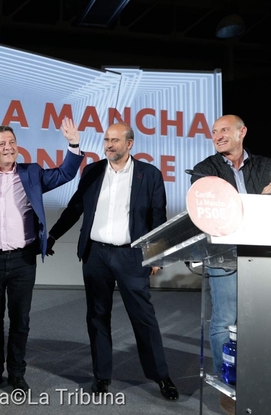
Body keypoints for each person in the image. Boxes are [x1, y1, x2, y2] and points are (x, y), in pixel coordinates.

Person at [47, 122, 179, 401]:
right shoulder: (93, 171)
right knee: (97, 317)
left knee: (143, 317)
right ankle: (101, 376)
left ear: (129, 144)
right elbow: (76, 207)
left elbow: (158, 217)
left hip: (131, 256)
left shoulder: (149, 174)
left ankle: (161, 375)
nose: (109, 144)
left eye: (115, 140)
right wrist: (54, 235)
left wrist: (157, 255)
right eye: (107, 139)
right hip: (96, 255)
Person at [0, 119, 84, 392]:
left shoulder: (32, 172)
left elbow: (65, 174)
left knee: (20, 319)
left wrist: (73, 144)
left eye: (12, 142)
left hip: (23, 259)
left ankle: (17, 373)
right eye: (2, 144)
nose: (8, 147)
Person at [191, 114, 271, 415]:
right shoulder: (204, 170)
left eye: (224, 130)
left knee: (262, 322)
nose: (218, 135)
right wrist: (260, 198)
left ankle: (260, 379)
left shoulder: (266, 166)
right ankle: (230, 387)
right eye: (214, 131)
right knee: (224, 320)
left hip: (263, 255)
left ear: (242, 132)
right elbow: (211, 210)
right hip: (225, 254)